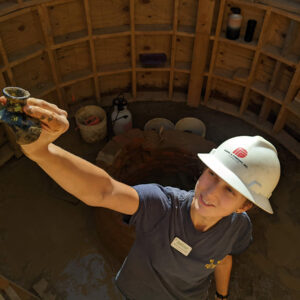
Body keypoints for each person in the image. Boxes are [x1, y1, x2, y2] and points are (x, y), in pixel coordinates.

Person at [1, 97, 281, 300]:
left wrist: (221, 297)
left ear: (245, 206)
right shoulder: (161, 205)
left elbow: (223, 260)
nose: (209, 192)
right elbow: (104, 190)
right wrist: (42, 152)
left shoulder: (238, 227)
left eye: (230, 190)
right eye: (211, 175)